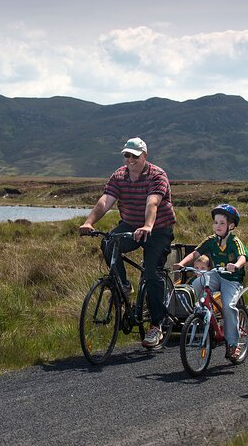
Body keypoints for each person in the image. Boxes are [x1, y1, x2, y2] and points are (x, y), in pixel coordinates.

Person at [79, 137, 176, 349]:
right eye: (127, 155)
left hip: (158, 228)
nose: (130, 159)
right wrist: (89, 222)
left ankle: (157, 325)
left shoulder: (157, 175)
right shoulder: (119, 176)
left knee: (152, 272)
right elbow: (105, 201)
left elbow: (153, 202)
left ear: (145, 156)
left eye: (135, 155)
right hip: (131, 224)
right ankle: (123, 284)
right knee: (108, 243)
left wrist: (148, 226)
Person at [173, 204, 248, 361]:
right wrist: (181, 263)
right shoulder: (211, 240)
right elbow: (196, 253)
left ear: (231, 225)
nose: (218, 226)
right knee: (197, 282)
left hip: (232, 279)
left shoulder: (235, 241)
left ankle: (233, 344)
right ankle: (203, 312)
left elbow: (242, 256)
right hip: (217, 274)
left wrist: (236, 265)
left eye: (222, 223)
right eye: (215, 222)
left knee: (228, 306)